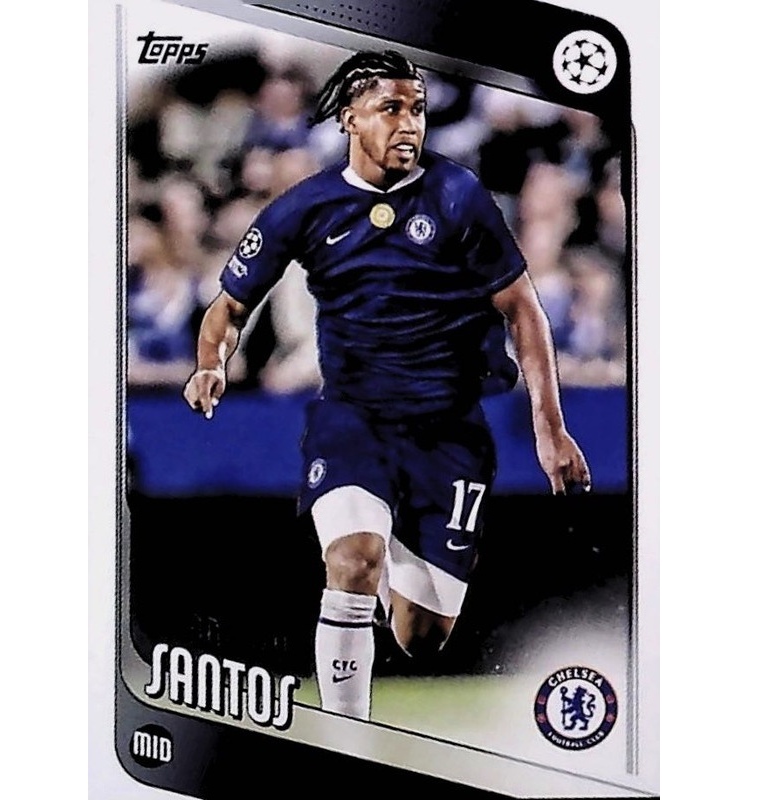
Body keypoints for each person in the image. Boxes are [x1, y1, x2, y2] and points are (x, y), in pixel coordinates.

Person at [183, 50, 591, 722]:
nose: (409, 124)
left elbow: (522, 308)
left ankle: (392, 561)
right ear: (350, 118)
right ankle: (347, 741)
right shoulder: (306, 207)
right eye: (391, 108)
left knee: (421, 637)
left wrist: (550, 428)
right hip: (353, 421)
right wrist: (210, 363)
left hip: (448, 431)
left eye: (418, 109)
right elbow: (227, 307)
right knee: (352, 560)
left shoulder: (457, 194)